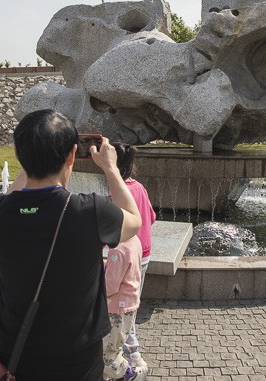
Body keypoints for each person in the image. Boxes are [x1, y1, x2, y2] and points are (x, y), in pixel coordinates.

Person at [0, 109, 141, 380]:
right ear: (72, 155)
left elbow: (15, 195)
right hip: (73, 354)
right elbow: (134, 222)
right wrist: (111, 168)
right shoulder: (89, 211)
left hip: (12, 346)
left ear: (18, 154)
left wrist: (32, 157)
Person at [112, 143, 156, 370]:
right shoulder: (139, 187)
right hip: (144, 252)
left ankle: (133, 354)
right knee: (132, 303)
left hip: (124, 257)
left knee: (124, 307)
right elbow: (152, 216)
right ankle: (128, 350)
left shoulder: (116, 192)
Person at [102, 235, 147, 380]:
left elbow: (110, 286)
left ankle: (130, 374)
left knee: (107, 350)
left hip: (115, 307)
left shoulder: (117, 250)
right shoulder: (134, 240)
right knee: (116, 346)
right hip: (128, 304)